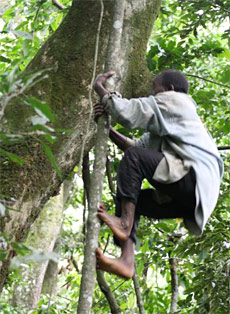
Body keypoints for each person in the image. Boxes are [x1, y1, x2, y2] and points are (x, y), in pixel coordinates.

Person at [93, 69, 223, 279]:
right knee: (139, 201)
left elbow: (130, 112)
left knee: (135, 159)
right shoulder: (170, 122)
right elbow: (135, 146)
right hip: (192, 199)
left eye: (156, 90)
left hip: (193, 180)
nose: (153, 95)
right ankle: (127, 261)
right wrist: (106, 128)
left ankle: (124, 223)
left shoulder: (179, 102)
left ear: (170, 90)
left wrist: (101, 90)